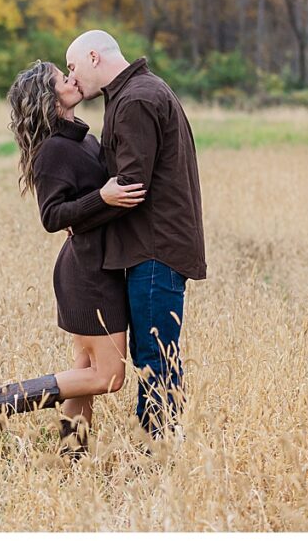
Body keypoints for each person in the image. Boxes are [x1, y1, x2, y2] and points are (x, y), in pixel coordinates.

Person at [0, 60, 146, 456]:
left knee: (86, 373)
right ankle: (0, 399)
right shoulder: (54, 150)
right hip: (87, 274)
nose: (72, 80)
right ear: (49, 98)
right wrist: (101, 197)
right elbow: (52, 216)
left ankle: (72, 455)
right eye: (62, 79)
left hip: (98, 266)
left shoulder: (82, 141)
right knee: (108, 377)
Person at [65, 29, 206, 440]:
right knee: (158, 352)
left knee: (155, 357)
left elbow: (129, 186)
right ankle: (162, 444)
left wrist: (76, 216)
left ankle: (157, 449)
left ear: (94, 57)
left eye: (73, 67)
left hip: (154, 249)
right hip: (152, 246)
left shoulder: (135, 100)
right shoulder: (138, 92)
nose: (73, 78)